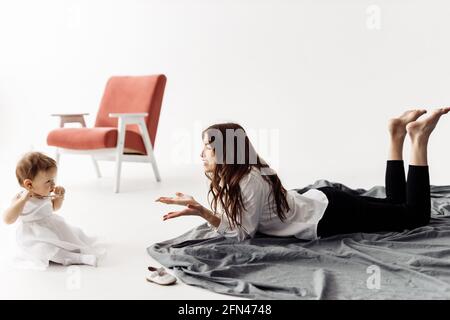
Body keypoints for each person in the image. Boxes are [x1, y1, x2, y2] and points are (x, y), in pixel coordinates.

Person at [156, 108, 450, 241]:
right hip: (324, 204)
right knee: (395, 206)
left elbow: (244, 233)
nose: (201, 155)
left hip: (328, 215)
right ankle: (396, 134)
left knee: (414, 216)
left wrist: (203, 213)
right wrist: (203, 209)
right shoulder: (247, 172)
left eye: (207, 150)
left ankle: (418, 137)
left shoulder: (248, 180)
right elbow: (240, 219)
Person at [2, 152, 105, 269]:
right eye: (48, 181)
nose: (53, 184)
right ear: (29, 184)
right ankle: (76, 258)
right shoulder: (20, 199)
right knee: (45, 249)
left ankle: (76, 250)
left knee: (73, 235)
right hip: (34, 235)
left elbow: (54, 208)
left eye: (53, 180)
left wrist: (59, 197)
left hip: (51, 227)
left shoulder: (45, 195)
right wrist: (23, 200)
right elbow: (7, 219)